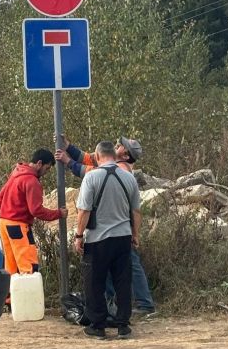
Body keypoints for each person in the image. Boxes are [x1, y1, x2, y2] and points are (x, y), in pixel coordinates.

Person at [56, 135, 156, 317]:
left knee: (130, 265)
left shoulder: (121, 168)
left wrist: (68, 161)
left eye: (120, 146)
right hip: (121, 227)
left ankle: (143, 304)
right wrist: (69, 147)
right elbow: (91, 157)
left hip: (114, 226)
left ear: (125, 155)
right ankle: (116, 305)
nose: (117, 145)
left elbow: (88, 171)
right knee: (120, 268)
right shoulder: (117, 166)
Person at [74, 141, 141, 340]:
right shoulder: (128, 177)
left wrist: (78, 236)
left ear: (97, 155)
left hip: (97, 239)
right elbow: (136, 211)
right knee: (122, 281)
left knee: (95, 283)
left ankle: (98, 325)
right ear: (114, 154)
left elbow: (84, 211)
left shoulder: (91, 177)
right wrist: (135, 235)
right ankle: (123, 326)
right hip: (122, 238)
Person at [0, 149, 68, 279]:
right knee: (28, 265)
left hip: (3, 223)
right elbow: (36, 210)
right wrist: (58, 213)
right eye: (46, 168)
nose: (46, 173)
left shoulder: (16, 173)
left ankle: (10, 298)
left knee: (11, 264)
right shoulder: (32, 181)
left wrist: (7, 212)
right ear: (39, 163)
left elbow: (0, 196)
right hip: (18, 225)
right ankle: (29, 298)